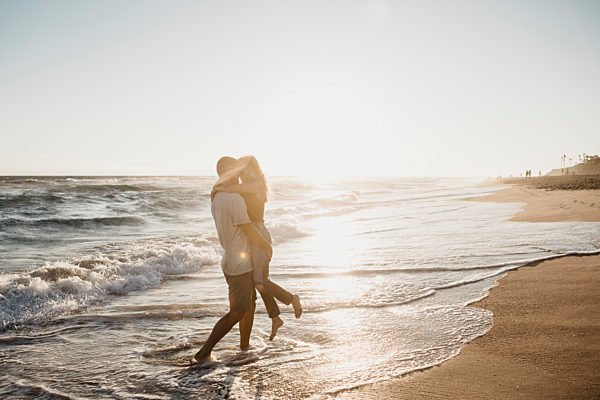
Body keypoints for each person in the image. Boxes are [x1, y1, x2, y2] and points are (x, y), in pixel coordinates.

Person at [194, 156, 275, 363]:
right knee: (238, 311)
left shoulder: (216, 197)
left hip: (230, 258)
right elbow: (248, 229)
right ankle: (203, 353)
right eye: (237, 171)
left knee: (249, 305)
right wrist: (266, 245)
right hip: (240, 264)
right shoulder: (235, 199)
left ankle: (244, 347)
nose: (240, 174)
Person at [213, 156, 302, 341]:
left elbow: (235, 189)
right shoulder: (248, 186)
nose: (240, 173)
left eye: (242, 169)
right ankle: (276, 317)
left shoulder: (257, 184)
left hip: (258, 233)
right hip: (251, 235)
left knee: (260, 281)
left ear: (251, 169)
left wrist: (218, 187)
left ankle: (292, 299)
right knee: (257, 282)